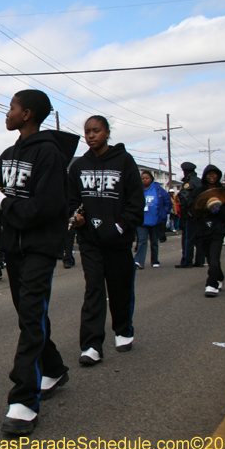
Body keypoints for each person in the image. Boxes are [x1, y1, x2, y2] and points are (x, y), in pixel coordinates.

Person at [0, 89, 79, 435]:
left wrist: (5, 205)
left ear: (27, 114)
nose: (6, 113)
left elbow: (47, 207)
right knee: (30, 315)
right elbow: (2, 199)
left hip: (40, 248)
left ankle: (24, 399)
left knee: (30, 317)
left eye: (11, 108)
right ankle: (53, 369)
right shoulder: (7, 154)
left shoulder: (49, 154)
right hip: (14, 246)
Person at [69, 116, 144, 368]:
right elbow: (71, 200)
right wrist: (77, 218)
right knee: (94, 290)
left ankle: (123, 330)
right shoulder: (78, 166)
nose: (91, 135)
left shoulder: (124, 160)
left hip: (118, 241)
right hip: (90, 241)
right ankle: (91, 345)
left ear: (107, 133)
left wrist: (120, 227)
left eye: (96, 131)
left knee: (119, 288)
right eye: (87, 131)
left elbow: (135, 201)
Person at [193, 166, 225, 297]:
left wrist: (220, 210)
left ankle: (211, 284)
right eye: (209, 174)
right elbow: (193, 209)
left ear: (218, 176)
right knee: (209, 256)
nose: (212, 176)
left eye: (214, 174)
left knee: (214, 258)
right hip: (203, 229)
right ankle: (219, 277)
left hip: (218, 229)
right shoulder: (198, 191)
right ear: (205, 175)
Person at [133, 170, 172, 269]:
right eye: (143, 179)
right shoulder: (138, 190)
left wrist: (164, 212)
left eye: (147, 178)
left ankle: (155, 261)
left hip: (155, 220)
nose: (144, 180)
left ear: (151, 179)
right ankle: (139, 261)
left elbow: (168, 202)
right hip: (142, 221)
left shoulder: (158, 189)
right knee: (142, 241)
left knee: (154, 242)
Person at [176, 162, 203, 268]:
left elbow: (184, 198)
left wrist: (185, 212)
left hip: (190, 213)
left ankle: (187, 261)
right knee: (199, 238)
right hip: (200, 213)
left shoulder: (189, 183)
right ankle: (200, 260)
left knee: (188, 238)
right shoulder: (199, 181)